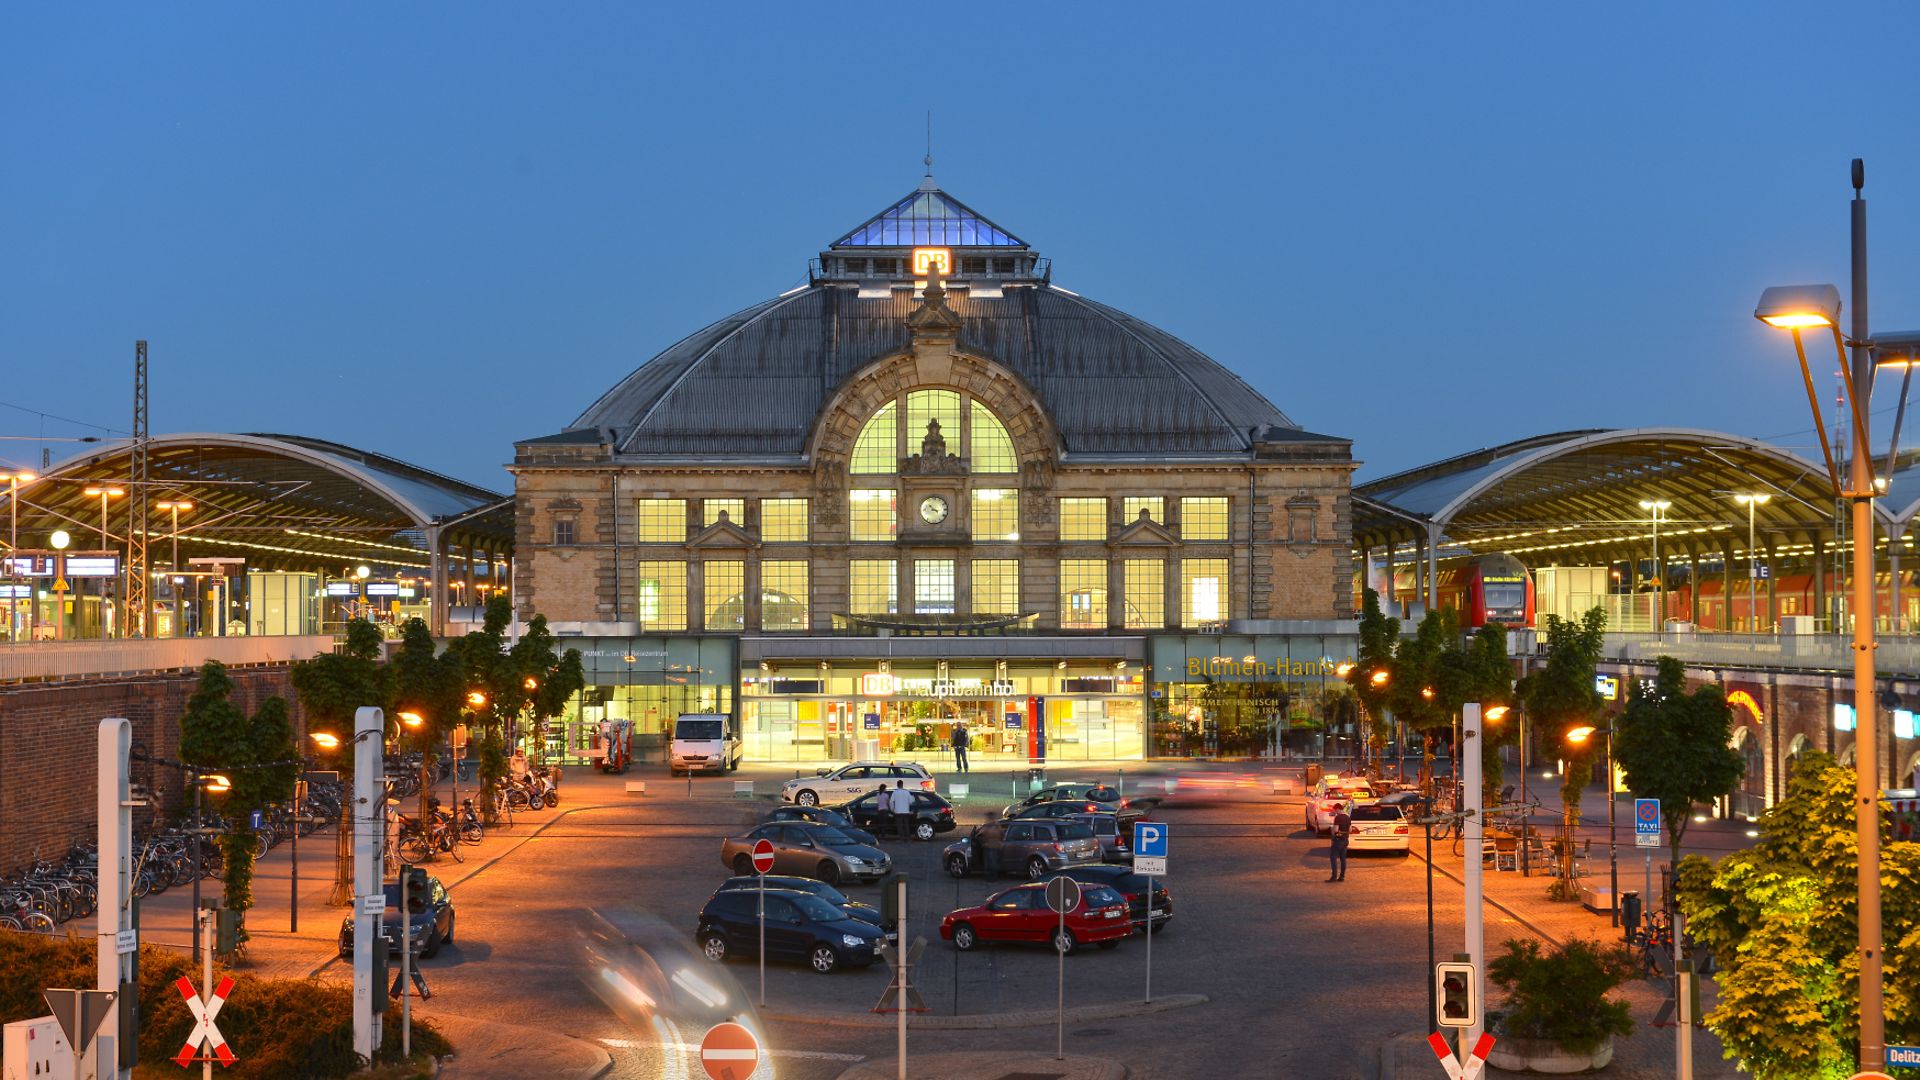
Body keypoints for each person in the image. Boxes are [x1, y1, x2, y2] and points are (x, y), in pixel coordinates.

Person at [1327, 804, 1352, 883]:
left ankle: (1334, 876)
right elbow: (1350, 830)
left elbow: (1336, 830)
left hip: (1338, 841)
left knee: (1333, 858)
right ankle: (1342, 876)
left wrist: (1332, 830)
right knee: (1343, 859)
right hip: (1345, 840)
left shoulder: (1338, 817)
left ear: (1337, 809)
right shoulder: (1348, 817)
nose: (1334, 811)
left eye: (1334, 810)